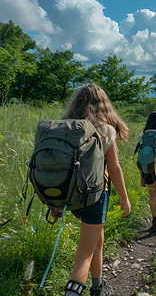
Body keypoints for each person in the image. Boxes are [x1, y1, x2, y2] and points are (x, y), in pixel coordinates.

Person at [63, 84, 131, 296]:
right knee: (84, 254)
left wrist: (57, 202)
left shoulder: (67, 127)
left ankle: (98, 286)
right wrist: (124, 198)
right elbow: (114, 169)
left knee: (97, 240)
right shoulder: (105, 130)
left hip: (70, 195)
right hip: (95, 197)